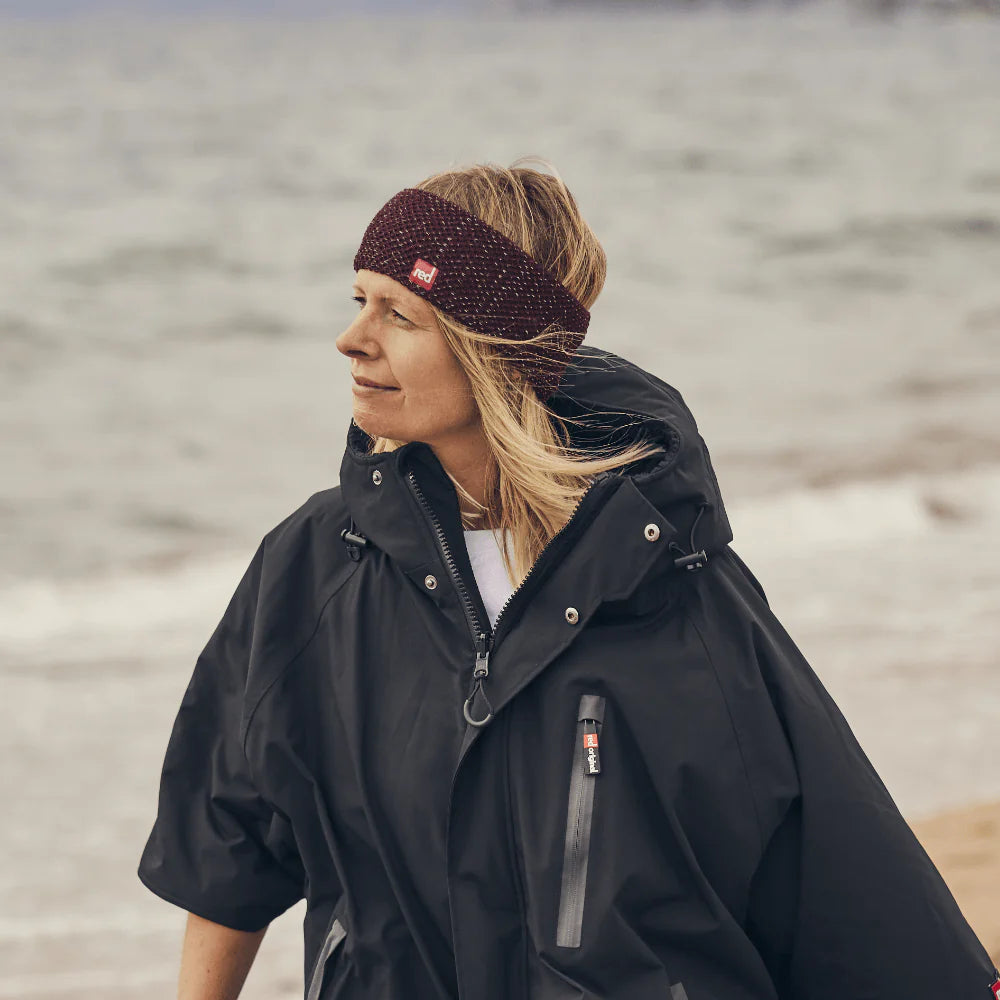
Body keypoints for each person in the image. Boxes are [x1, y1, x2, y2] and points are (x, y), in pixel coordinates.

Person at [137, 157, 1000, 1000]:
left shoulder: (668, 578)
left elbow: (837, 872)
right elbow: (229, 841)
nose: (351, 337)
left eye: (398, 312)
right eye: (359, 300)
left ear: (493, 349)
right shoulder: (315, 565)